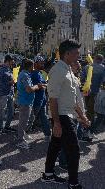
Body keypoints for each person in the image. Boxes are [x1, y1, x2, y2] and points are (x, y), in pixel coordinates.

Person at [41, 39, 90, 189]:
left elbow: (73, 100)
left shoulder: (68, 70)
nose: (78, 56)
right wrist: (56, 122)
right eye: (76, 53)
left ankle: (48, 174)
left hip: (68, 115)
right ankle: (73, 183)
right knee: (74, 149)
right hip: (62, 116)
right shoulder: (58, 70)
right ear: (67, 54)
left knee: (55, 145)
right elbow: (52, 98)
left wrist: (82, 118)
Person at [16, 59, 44, 149]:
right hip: (25, 102)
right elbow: (29, 89)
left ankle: (23, 134)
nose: (34, 67)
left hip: (28, 101)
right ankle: (20, 140)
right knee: (23, 122)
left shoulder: (26, 74)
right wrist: (37, 86)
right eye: (32, 66)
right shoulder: (24, 75)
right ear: (29, 66)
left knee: (30, 118)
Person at [27, 56, 51, 140]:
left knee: (44, 117)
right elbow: (38, 86)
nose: (43, 64)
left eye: (43, 63)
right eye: (41, 63)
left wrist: (43, 85)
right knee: (30, 119)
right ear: (35, 63)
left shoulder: (40, 73)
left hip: (42, 100)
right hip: (35, 101)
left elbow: (44, 85)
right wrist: (42, 85)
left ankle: (47, 134)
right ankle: (23, 135)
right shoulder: (32, 74)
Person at [82, 54, 104, 138]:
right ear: (101, 60)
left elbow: (82, 78)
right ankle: (88, 131)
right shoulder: (103, 68)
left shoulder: (87, 67)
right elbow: (103, 82)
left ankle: (87, 130)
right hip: (96, 93)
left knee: (88, 110)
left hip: (86, 91)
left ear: (95, 59)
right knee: (92, 112)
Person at [0, 55, 16, 133]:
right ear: (8, 61)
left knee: (11, 111)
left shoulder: (9, 69)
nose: (13, 62)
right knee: (2, 111)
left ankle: (7, 126)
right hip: (3, 94)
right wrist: (10, 82)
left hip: (10, 93)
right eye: (12, 60)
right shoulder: (1, 70)